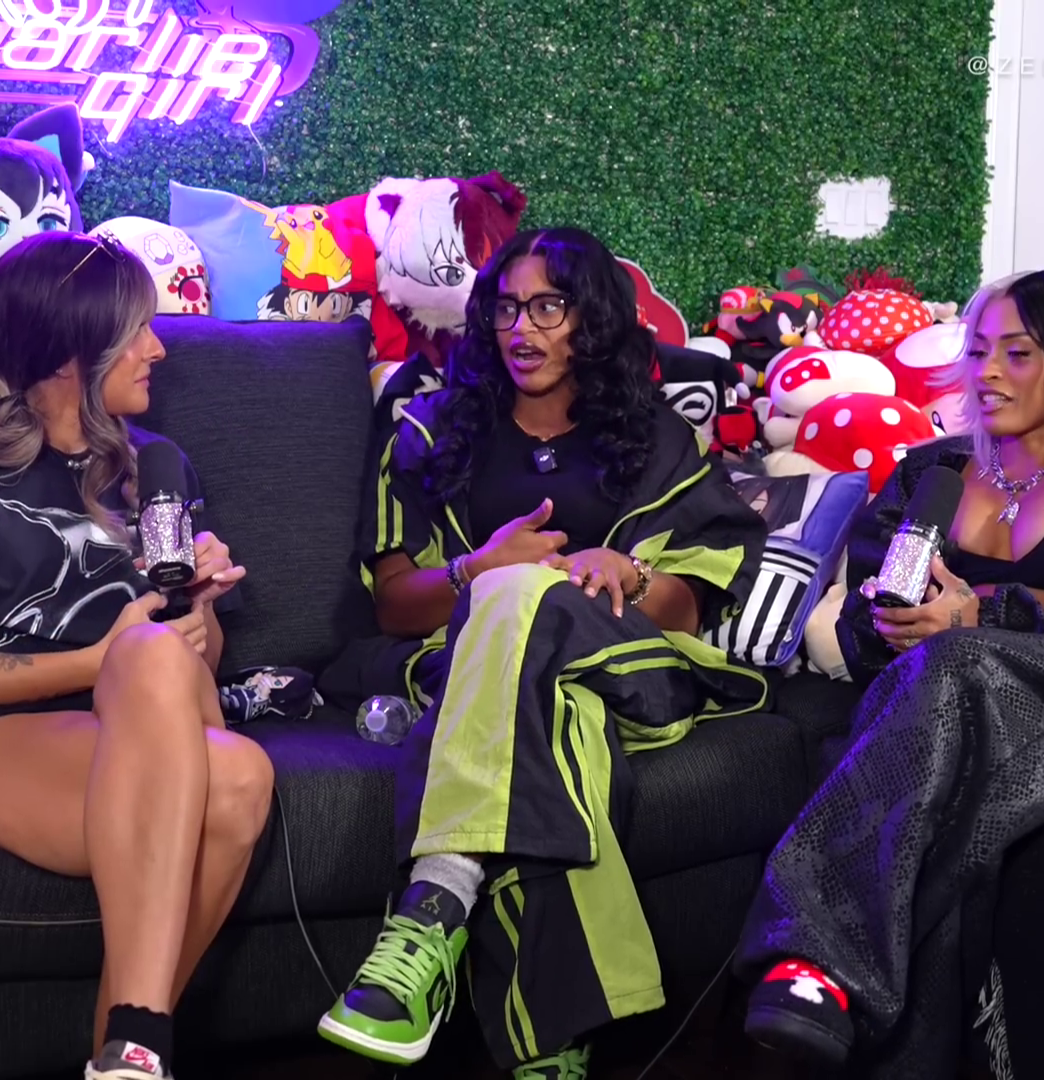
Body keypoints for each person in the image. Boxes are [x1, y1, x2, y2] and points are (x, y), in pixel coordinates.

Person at [315, 228, 770, 1079]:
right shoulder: (427, 430)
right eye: (507, 309)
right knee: (557, 716)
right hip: (479, 673)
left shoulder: (659, 439)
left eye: (549, 307)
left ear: (591, 318)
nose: (522, 329)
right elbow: (394, 604)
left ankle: (436, 898)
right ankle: (550, 1050)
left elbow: (690, 604)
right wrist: (476, 569)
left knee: (527, 599)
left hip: (630, 664)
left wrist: (629, 573)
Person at [735, 269, 1044, 1076]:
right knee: (962, 806)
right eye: (979, 351)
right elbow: (862, 631)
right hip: (957, 705)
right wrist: (894, 620)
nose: (987, 372)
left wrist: (982, 614)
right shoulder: (933, 474)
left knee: (953, 665)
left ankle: (812, 959)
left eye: (1016, 354)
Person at [0, 231, 273, 1080]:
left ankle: (133, 1046)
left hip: (145, 720)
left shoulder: (158, 467)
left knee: (163, 665)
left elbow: (196, 666)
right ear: (65, 354)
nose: (159, 349)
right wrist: (107, 658)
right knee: (236, 776)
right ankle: (134, 1048)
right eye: (137, 331)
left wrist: (199, 613)